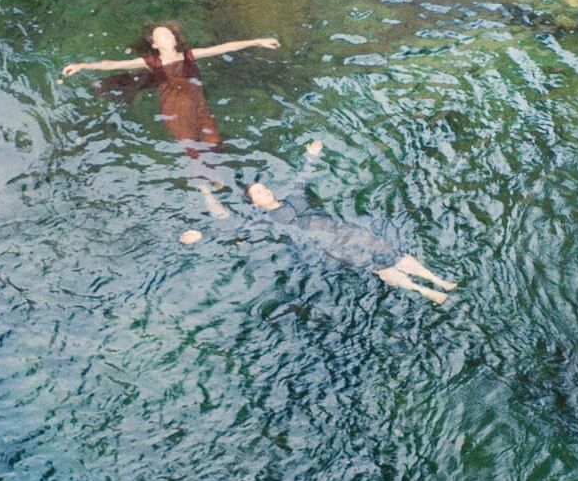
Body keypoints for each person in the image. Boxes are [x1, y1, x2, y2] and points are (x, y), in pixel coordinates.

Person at [62, 22, 277, 227]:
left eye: (169, 33)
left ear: (175, 39)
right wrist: (83, 66)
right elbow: (114, 64)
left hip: (200, 108)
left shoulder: (189, 56)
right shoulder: (152, 62)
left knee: (213, 142)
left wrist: (257, 41)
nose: (167, 36)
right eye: (161, 35)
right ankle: (208, 195)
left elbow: (222, 48)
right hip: (174, 111)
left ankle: (216, 178)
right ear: (154, 44)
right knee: (193, 149)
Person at [245, 140, 458, 304]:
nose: (265, 192)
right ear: (255, 204)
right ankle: (425, 291)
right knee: (377, 266)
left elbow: (302, 177)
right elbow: (251, 233)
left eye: (263, 188)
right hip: (329, 244)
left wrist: (311, 157)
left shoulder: (293, 196)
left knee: (388, 250)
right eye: (258, 193)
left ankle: (439, 281)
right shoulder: (268, 221)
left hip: (340, 228)